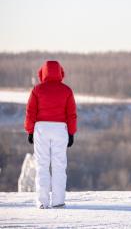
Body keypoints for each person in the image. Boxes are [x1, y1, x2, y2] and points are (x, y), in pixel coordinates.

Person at [24, 60, 77, 209]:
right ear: (60, 72)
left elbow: (30, 112)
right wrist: (71, 133)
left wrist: (30, 130)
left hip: (41, 128)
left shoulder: (37, 90)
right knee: (59, 165)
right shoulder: (67, 91)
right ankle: (59, 201)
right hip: (61, 129)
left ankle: (42, 201)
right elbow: (71, 114)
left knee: (42, 165)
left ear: (43, 72)